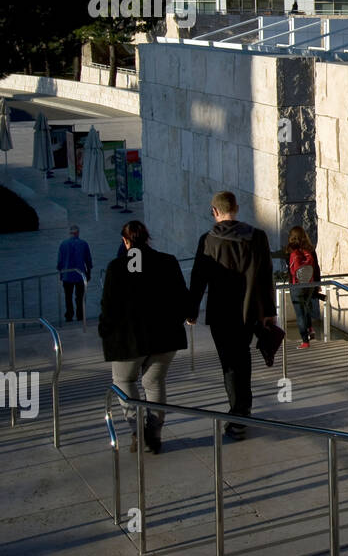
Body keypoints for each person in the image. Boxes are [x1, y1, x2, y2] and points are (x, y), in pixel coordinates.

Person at [187, 191, 278, 441]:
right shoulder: (257, 237)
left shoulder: (208, 240)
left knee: (229, 363)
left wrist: (192, 310)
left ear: (214, 211)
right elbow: (265, 276)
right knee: (243, 357)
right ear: (236, 208)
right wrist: (269, 312)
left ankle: (238, 414)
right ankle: (242, 410)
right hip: (250, 312)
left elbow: (198, 277)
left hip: (220, 314)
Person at [98, 221, 188, 454]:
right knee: (154, 382)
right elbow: (182, 298)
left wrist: (105, 331)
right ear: (147, 238)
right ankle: (155, 433)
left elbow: (108, 307)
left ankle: (137, 431)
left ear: (125, 241)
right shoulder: (168, 262)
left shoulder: (116, 268)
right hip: (164, 338)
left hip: (129, 341)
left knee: (123, 381)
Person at [285, 226, 322, 349]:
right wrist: (318, 284)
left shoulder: (289, 250)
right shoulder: (310, 250)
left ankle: (305, 341)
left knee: (299, 313)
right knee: (306, 307)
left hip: (296, 285)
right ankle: (310, 329)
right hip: (310, 284)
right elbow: (316, 268)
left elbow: (289, 268)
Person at [56, 225, 93, 323]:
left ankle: (69, 315)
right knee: (79, 296)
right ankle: (80, 315)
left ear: (70, 233)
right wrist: (88, 272)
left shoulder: (63, 244)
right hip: (80, 275)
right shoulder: (83, 244)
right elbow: (88, 260)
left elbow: (60, 261)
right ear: (78, 233)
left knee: (68, 296)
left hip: (67, 275)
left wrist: (60, 273)